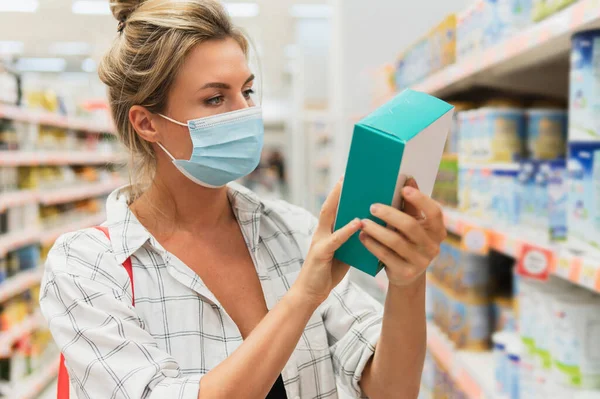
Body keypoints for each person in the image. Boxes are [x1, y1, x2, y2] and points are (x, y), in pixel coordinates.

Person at [39, 1, 446, 398]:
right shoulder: (87, 267)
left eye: (247, 91)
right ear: (147, 123)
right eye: (216, 99)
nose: (246, 112)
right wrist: (303, 296)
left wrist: (408, 280)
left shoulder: (293, 229)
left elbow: (392, 390)